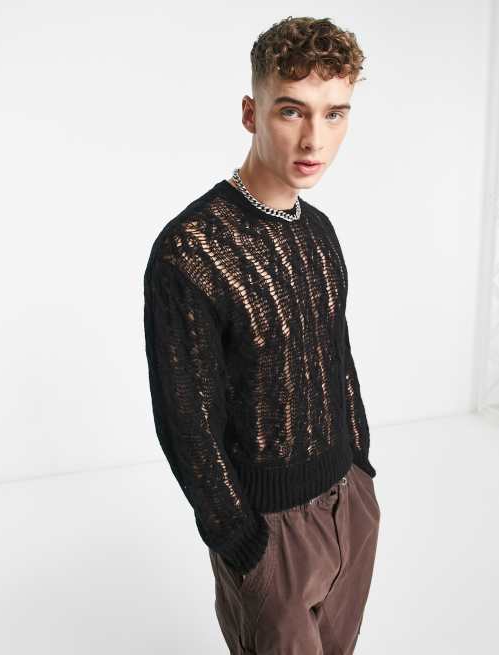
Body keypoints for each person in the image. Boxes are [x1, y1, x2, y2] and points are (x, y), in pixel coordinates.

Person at [143, 15, 380, 655]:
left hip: (349, 506)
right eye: (291, 111)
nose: (314, 138)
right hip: (269, 531)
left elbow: (337, 358)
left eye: (334, 114)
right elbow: (186, 420)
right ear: (251, 113)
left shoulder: (319, 231)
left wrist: (360, 469)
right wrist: (242, 541)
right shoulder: (191, 250)